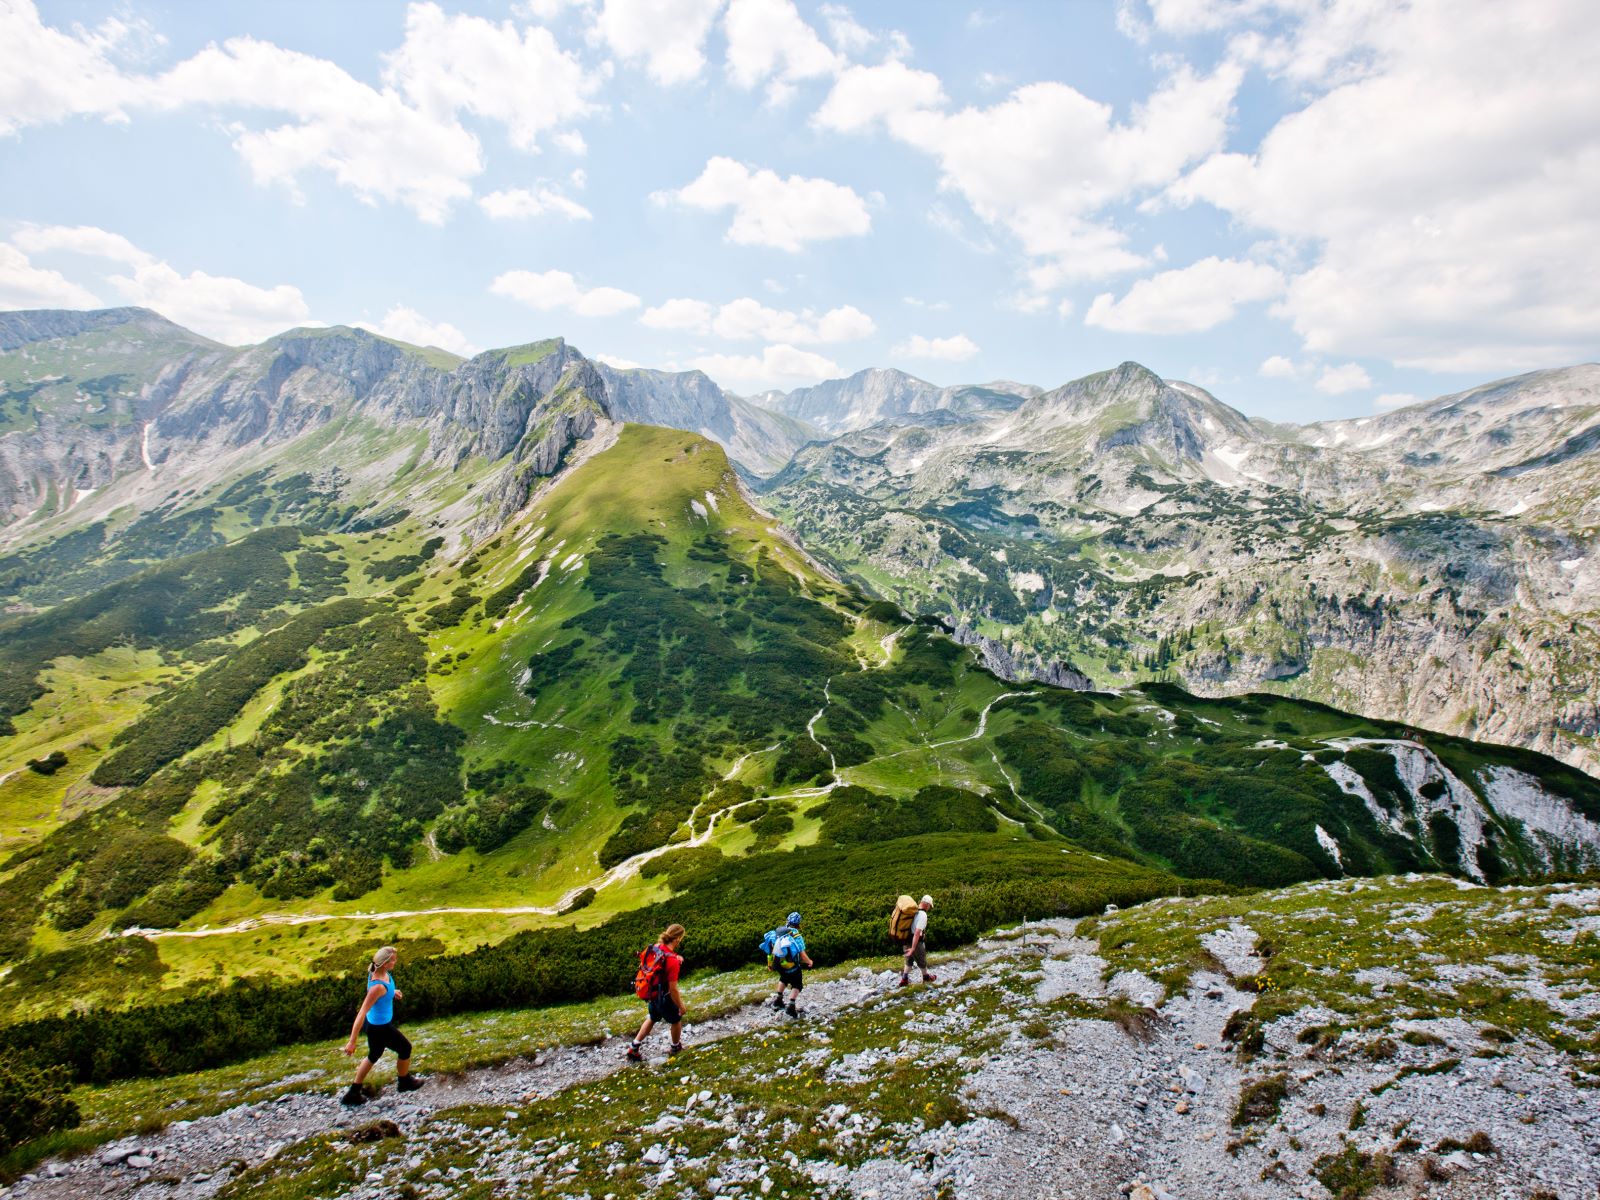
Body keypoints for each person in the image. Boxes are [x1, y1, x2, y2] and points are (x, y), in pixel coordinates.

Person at [341, 945, 424, 1105]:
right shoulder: (377, 987)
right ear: (385, 963)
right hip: (379, 1028)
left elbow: (385, 991)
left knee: (374, 1054)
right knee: (405, 1048)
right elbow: (361, 1012)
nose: (396, 961)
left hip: (374, 1024)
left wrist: (393, 992)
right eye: (393, 960)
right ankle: (404, 1082)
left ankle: (353, 1092)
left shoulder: (379, 972)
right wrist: (352, 1041)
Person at [626, 923, 686, 1062]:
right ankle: (675, 1047)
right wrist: (681, 1006)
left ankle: (633, 1047)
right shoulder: (672, 962)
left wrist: (676, 957)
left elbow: (655, 962)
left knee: (652, 1018)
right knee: (676, 1020)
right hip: (664, 996)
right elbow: (673, 990)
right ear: (677, 939)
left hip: (651, 993)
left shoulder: (655, 948)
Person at [768, 911, 814, 1017]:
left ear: (788, 921)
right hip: (791, 965)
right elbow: (802, 954)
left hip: (777, 963)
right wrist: (809, 962)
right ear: (798, 924)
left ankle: (777, 1001)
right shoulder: (796, 935)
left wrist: (770, 964)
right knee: (797, 983)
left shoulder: (778, 932)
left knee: (784, 978)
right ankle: (791, 1007)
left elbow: (770, 948)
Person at [899, 895, 936, 987]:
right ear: (926, 904)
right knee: (922, 961)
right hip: (915, 942)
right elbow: (916, 933)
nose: (929, 908)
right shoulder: (923, 915)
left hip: (906, 939)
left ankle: (904, 979)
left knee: (909, 960)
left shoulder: (913, 912)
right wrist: (913, 948)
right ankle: (926, 978)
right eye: (930, 906)